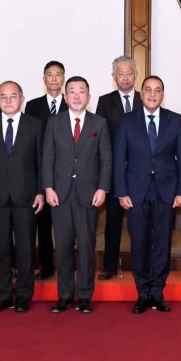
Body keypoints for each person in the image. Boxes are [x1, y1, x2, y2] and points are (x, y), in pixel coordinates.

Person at [113, 75, 181, 314]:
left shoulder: (175, 120)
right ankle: (142, 293)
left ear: (162, 95)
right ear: (141, 93)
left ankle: (158, 292)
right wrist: (121, 191)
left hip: (167, 192)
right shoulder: (127, 121)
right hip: (135, 193)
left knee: (162, 244)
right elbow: (119, 159)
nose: (152, 94)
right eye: (148, 89)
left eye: (157, 90)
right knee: (139, 243)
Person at [42, 76, 112, 314]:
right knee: (62, 247)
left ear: (89, 97)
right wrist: (48, 187)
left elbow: (106, 159)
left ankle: (84, 296)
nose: (76, 96)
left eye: (81, 91)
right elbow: (47, 157)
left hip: (88, 194)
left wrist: (102, 188)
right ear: (65, 97)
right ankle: (64, 296)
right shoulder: (54, 122)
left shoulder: (99, 123)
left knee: (86, 246)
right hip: (59, 194)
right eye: (72, 91)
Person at [0, 81, 45, 313]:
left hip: (27, 197)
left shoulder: (35, 125)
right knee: (0, 249)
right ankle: (2, 296)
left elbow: (41, 162)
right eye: (3, 97)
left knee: (26, 250)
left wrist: (41, 192)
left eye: (13, 96)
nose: (8, 101)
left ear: (21, 99)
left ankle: (23, 296)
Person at [95, 56, 142, 280]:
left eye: (129, 73)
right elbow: (101, 138)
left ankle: (142, 266)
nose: (125, 78)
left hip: (140, 174)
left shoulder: (146, 98)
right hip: (115, 174)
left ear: (136, 75)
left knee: (141, 225)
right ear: (114, 76)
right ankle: (109, 266)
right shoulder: (105, 101)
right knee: (112, 224)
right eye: (120, 74)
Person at [24, 60, 68, 280]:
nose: (54, 79)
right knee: (42, 224)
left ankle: (67, 267)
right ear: (44, 79)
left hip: (66, 174)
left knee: (65, 225)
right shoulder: (32, 106)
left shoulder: (72, 103)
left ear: (63, 78)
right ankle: (46, 266)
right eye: (50, 75)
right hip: (40, 173)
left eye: (58, 75)